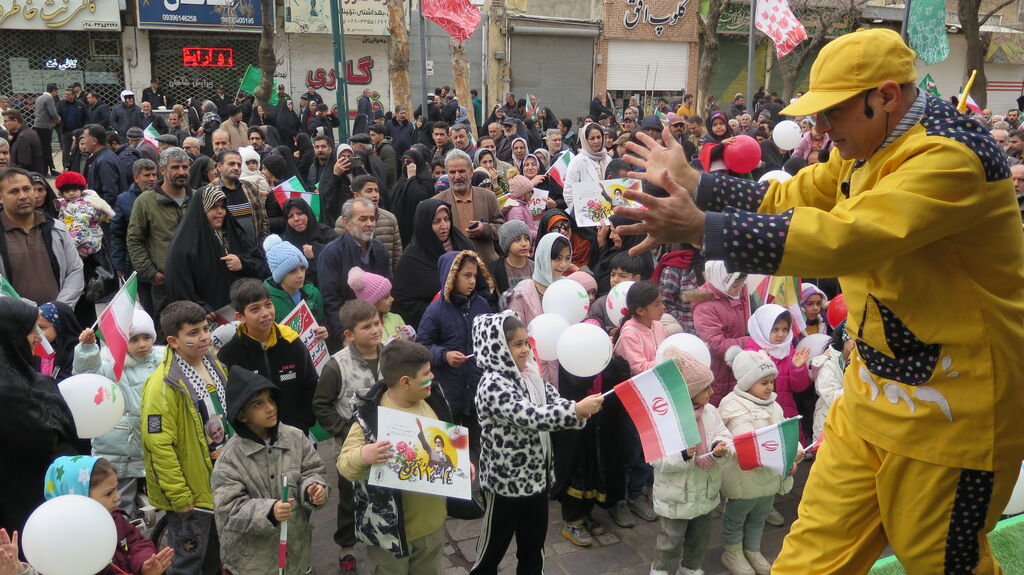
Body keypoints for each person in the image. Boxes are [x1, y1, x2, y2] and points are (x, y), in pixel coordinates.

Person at [616, 27, 1024, 573]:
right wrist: (698, 182)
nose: (819, 129)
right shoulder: (871, 144)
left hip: (959, 413)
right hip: (871, 394)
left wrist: (703, 227)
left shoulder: (952, 158)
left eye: (831, 113)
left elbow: (843, 238)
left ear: (885, 96)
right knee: (807, 559)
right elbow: (796, 193)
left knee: (943, 562)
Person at [470, 312, 603, 574]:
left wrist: (578, 411)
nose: (524, 349)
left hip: (537, 479)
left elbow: (554, 401)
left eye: (526, 342)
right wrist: (574, 411)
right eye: (517, 344)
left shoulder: (530, 374)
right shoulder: (492, 384)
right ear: (497, 346)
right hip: (505, 482)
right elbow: (530, 416)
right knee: (491, 550)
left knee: (533, 547)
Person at [336, 339, 453, 573]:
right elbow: (344, 466)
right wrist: (364, 455)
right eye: (426, 373)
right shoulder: (370, 418)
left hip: (432, 526)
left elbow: (445, 445)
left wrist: (460, 465)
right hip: (389, 535)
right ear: (405, 382)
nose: (433, 377)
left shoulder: (432, 399)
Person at [141, 300, 230, 574]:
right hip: (190, 493)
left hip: (219, 479)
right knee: (188, 564)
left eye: (205, 328)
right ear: (173, 341)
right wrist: (179, 496)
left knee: (215, 558)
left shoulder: (214, 363)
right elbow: (159, 446)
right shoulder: (162, 386)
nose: (203, 336)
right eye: (193, 333)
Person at [211, 366, 328, 575]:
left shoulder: (295, 438)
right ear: (242, 415)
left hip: (296, 556)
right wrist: (270, 511)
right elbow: (228, 511)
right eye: (258, 404)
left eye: (271, 399)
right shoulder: (229, 460)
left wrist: (313, 488)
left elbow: (312, 470)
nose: (270, 407)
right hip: (253, 564)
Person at [313, 299, 383, 572]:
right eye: (367, 326)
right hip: (349, 450)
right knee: (349, 499)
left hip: (386, 445)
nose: (376, 329)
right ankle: (346, 547)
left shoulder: (391, 354)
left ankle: (382, 539)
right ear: (350, 335)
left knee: (383, 495)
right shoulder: (336, 366)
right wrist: (345, 431)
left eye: (377, 322)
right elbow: (321, 404)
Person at [0, 298, 78, 535]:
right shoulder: (10, 393)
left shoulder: (34, 380)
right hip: (26, 501)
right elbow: (45, 441)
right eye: (30, 329)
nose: (37, 336)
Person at [649, 352, 731, 575]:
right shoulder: (666, 419)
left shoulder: (711, 412)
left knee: (700, 538)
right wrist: (682, 455)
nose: (712, 392)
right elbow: (656, 458)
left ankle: (691, 568)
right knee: (670, 541)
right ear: (690, 392)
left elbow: (725, 435)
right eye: (706, 389)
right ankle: (662, 570)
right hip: (675, 496)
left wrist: (719, 445)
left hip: (704, 492)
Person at [73, 309, 161, 514]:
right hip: (121, 447)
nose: (142, 344)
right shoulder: (109, 366)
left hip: (154, 443)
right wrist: (87, 349)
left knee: (158, 498)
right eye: (134, 339)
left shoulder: (162, 362)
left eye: (146, 337)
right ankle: (123, 536)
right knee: (121, 500)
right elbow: (87, 375)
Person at [717, 349, 796, 575]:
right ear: (746, 382)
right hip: (745, 476)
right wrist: (775, 452)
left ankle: (752, 549)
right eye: (763, 382)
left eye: (771, 381)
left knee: (760, 514)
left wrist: (794, 451)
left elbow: (784, 430)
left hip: (769, 474)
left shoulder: (773, 403)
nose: (770, 387)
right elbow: (743, 437)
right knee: (736, 516)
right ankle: (732, 552)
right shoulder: (734, 405)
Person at [217, 278, 318, 436]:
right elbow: (228, 402)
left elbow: (310, 385)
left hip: (297, 435)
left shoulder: (292, 342)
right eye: (255, 309)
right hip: (254, 442)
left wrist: (303, 422)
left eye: (268, 305)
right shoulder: (229, 355)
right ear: (240, 317)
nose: (265, 313)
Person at [42, 456, 175, 575]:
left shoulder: (114, 518)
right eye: (108, 493)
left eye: (116, 489)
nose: (117, 497)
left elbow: (136, 543)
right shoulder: (62, 542)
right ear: (79, 495)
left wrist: (144, 563)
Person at [416, 250, 495, 448]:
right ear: (451, 276)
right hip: (448, 394)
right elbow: (421, 346)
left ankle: (476, 477)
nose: (472, 281)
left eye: (475, 275)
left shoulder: (482, 305)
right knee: (450, 447)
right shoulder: (436, 311)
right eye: (466, 275)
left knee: (478, 446)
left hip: (477, 390)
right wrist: (444, 355)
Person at [164, 186, 268, 317]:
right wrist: (201, 308)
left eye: (222, 207)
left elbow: (259, 262)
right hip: (210, 316)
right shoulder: (185, 244)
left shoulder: (235, 233)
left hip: (243, 311)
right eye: (214, 207)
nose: (220, 212)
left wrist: (242, 263)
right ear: (202, 209)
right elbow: (179, 285)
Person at [0, 167, 84, 307]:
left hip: (56, 321)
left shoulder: (56, 229)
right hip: (12, 323)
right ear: (1, 198)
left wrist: (56, 310)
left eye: (27, 189)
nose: (23, 196)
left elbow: (75, 270)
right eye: (13, 191)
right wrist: (31, 313)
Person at [127, 148, 192, 316]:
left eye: (185, 167)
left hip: (196, 280)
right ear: (162, 170)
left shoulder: (197, 198)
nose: (181, 172)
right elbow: (134, 240)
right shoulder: (146, 201)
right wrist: (151, 272)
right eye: (175, 167)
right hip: (165, 284)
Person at [317, 197, 390, 347]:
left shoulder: (380, 249)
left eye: (372, 218)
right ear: (347, 223)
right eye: (363, 219)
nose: (370, 224)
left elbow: (385, 292)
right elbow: (331, 301)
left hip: (377, 330)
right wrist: (343, 336)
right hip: (348, 334)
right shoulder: (332, 253)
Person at [392, 199, 473, 328]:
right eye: (436, 221)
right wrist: (439, 312)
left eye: (446, 219)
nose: (444, 226)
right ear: (424, 224)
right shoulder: (412, 259)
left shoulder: (463, 245)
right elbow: (403, 302)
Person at [743, 304, 812, 433]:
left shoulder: (790, 352)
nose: (781, 334)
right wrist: (764, 368)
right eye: (775, 329)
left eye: (785, 329)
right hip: (761, 417)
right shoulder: (751, 354)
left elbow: (799, 387)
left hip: (787, 413)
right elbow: (747, 388)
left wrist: (797, 368)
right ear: (763, 328)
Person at [690, 262, 751, 406]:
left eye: (741, 284)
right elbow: (716, 345)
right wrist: (749, 342)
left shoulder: (734, 293)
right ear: (720, 279)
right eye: (735, 285)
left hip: (737, 370)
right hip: (718, 374)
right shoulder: (705, 305)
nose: (739, 289)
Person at [207, 149, 270, 247]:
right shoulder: (210, 191)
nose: (236, 168)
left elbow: (263, 219)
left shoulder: (251, 187)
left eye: (239, 165)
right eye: (231, 164)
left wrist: (261, 246)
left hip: (254, 252)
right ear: (219, 166)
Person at [348, 174, 402, 275]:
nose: (375, 195)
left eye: (376, 190)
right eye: (369, 191)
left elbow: (397, 256)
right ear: (356, 196)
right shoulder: (345, 221)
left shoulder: (390, 219)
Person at [54, 171, 113, 259]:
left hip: (85, 243)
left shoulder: (83, 205)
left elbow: (80, 226)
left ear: (81, 190)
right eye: (67, 191)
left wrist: (70, 247)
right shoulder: (68, 204)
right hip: (80, 241)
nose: (71, 193)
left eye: (74, 190)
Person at [347, 266, 411, 343]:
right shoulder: (365, 330)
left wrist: (408, 336)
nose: (392, 299)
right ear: (373, 302)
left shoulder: (396, 318)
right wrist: (386, 347)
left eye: (390, 295)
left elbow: (408, 347)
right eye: (386, 297)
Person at [391, 149, 440, 246]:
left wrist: (412, 178)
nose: (406, 165)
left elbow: (420, 196)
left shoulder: (426, 181)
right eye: (403, 162)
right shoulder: (400, 181)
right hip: (401, 228)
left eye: (409, 162)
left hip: (417, 226)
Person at [563, 123, 611, 213]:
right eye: (592, 138)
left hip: (608, 212)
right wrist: (583, 214)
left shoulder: (608, 159)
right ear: (585, 140)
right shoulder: (577, 162)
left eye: (599, 137)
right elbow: (569, 192)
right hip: (587, 215)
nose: (596, 141)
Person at [81, 124, 123, 205]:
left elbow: (110, 194)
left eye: (85, 138)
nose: (83, 141)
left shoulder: (104, 161)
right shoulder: (102, 156)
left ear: (94, 141)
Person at [489, 219, 534, 294]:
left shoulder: (535, 267)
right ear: (506, 244)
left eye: (526, 239)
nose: (524, 244)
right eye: (517, 239)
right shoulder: (495, 270)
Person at [32, 83, 60, 176]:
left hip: (37, 126)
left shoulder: (39, 98)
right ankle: (48, 170)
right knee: (47, 149)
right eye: (56, 91)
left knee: (42, 149)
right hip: (45, 127)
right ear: (54, 91)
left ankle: (46, 169)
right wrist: (58, 119)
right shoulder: (49, 98)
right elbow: (52, 112)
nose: (56, 94)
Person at [58, 87, 88, 170]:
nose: (66, 96)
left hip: (79, 131)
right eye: (65, 94)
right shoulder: (61, 104)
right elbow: (58, 117)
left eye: (68, 94)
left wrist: (84, 129)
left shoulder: (80, 104)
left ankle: (77, 166)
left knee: (78, 149)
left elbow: (86, 117)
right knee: (66, 150)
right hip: (66, 131)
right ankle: (65, 167)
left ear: (73, 95)